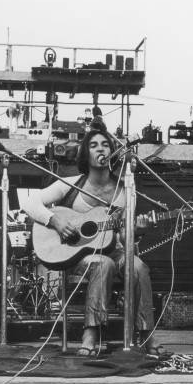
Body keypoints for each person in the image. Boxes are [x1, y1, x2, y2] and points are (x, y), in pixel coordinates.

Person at [23, 128, 166, 357]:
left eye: (106, 144)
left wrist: (136, 230)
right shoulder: (70, 184)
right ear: (85, 154)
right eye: (94, 145)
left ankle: (146, 332)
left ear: (113, 151)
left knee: (138, 266)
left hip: (114, 251)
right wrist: (56, 220)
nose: (101, 148)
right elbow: (30, 202)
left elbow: (122, 238)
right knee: (102, 263)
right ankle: (91, 332)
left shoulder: (126, 189)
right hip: (76, 254)